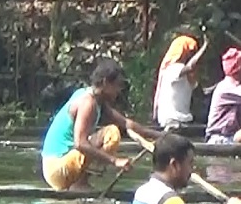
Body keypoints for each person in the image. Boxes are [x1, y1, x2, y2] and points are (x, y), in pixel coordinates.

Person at [41, 58, 163, 192]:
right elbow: (80, 143)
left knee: (113, 130)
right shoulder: (88, 103)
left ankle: (79, 182)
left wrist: (161, 135)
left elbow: (126, 123)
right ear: (105, 83)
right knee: (112, 133)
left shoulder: (97, 100)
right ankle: (80, 184)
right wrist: (114, 161)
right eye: (117, 85)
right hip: (57, 168)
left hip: (55, 167)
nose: (118, 91)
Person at [151, 30, 209, 130]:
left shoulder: (186, 75)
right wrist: (205, 46)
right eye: (191, 52)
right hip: (172, 120)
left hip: (183, 120)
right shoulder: (173, 69)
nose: (192, 55)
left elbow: (202, 92)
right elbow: (190, 66)